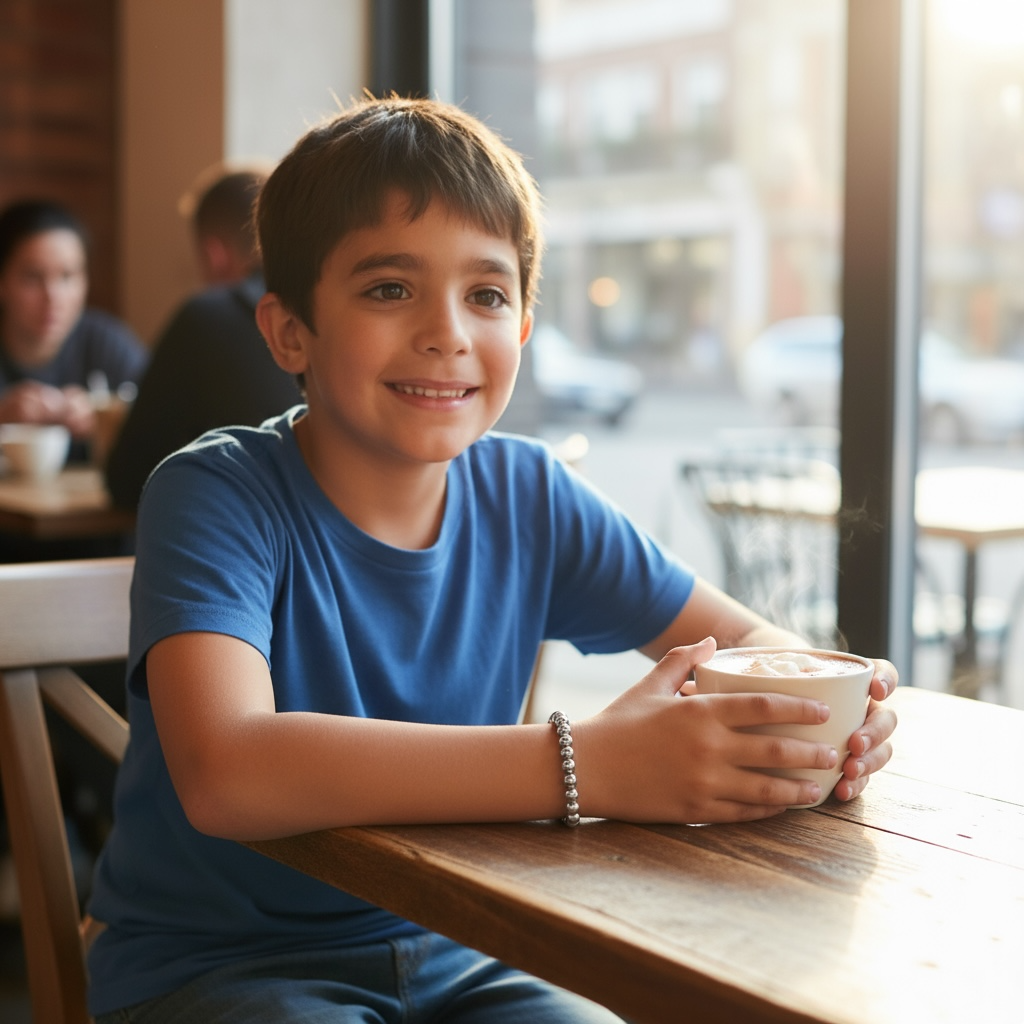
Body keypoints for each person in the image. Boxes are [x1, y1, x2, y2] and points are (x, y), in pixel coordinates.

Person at [86, 97, 899, 1023]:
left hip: (463, 948)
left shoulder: (529, 494)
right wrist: (585, 766)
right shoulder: (217, 491)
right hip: (218, 967)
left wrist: (828, 717)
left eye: (486, 293)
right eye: (390, 288)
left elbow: (746, 639)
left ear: (519, 328)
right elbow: (228, 771)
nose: (448, 331)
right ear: (289, 332)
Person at [104, 166, 300, 509]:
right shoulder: (325, 308)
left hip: (241, 538)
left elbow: (126, 479)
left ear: (214, 254)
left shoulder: (207, 315)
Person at [0, 199, 147, 455]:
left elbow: (164, 422)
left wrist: (107, 419)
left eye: (67, 276)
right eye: (33, 277)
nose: (52, 297)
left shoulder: (107, 343)